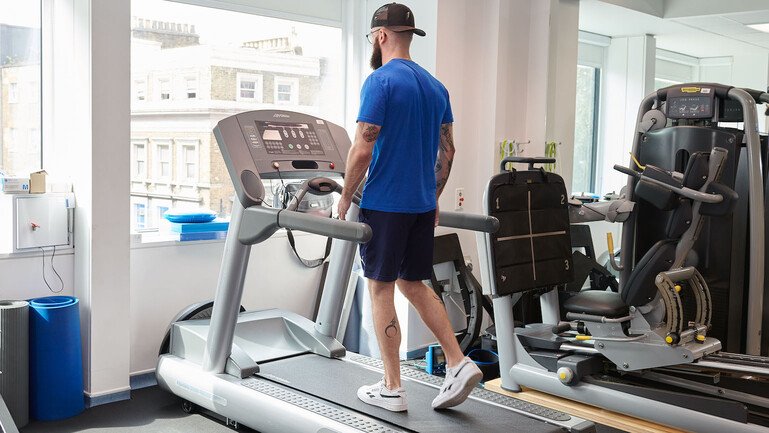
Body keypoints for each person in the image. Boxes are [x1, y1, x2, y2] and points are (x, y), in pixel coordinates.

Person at [337, 2, 482, 413]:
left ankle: (392, 387)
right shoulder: (436, 87)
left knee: (380, 287)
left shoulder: (380, 81)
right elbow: (448, 150)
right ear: (409, 36)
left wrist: (345, 198)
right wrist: (432, 198)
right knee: (413, 283)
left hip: (385, 204)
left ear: (380, 36)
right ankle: (458, 361)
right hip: (420, 205)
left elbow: (363, 146)